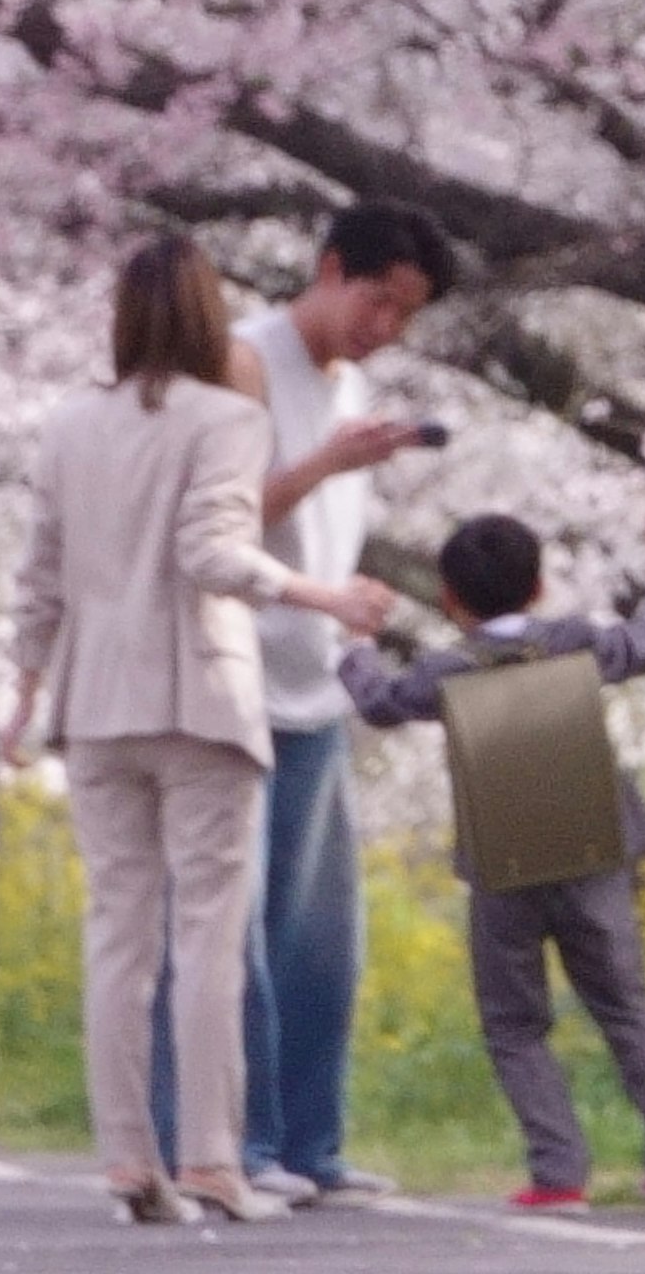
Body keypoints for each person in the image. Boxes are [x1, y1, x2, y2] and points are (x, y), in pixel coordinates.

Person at [6, 236, 394, 1226]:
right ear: (208, 315)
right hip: (202, 704)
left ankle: (131, 1162)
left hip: (93, 711)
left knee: (118, 941)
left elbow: (41, 575)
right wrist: (323, 594)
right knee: (211, 936)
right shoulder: (227, 416)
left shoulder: (69, 425)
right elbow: (213, 552)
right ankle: (215, 1162)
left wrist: (23, 693)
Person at [195, 197, 456, 1208]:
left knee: (319, 940)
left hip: (316, 681)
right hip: (239, 676)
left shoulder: (360, 384)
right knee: (240, 929)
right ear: (330, 267)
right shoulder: (245, 361)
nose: (382, 327)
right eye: (376, 301)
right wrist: (324, 463)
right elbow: (214, 521)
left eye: (404, 315)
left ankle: (314, 1145)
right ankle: (240, 1146)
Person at [338, 513, 645, 1215]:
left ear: (449, 598)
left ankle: (559, 1173)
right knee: (626, 1008)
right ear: (538, 586)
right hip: (592, 846)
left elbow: (382, 702)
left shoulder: (447, 670)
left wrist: (357, 643)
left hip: (502, 859)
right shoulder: (576, 645)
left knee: (514, 1023)